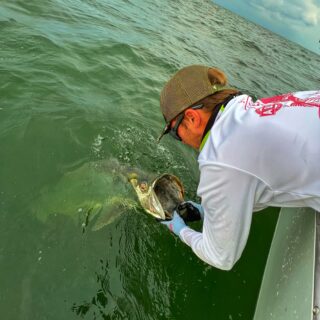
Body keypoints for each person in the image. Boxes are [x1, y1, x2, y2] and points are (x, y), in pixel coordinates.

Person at [158, 65, 320, 270]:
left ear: (192, 118)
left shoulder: (220, 158)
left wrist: (180, 230)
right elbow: (255, 175)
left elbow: (220, 257)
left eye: (174, 133)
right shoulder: (250, 111)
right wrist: (207, 211)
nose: (179, 140)